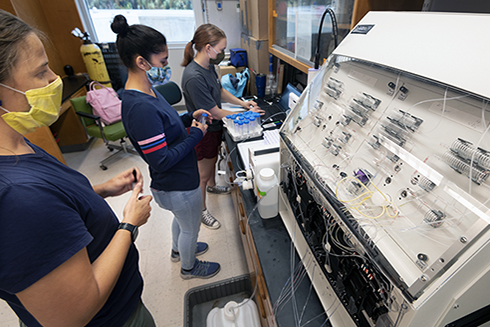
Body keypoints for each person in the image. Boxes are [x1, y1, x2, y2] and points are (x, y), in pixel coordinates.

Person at [0, 9, 155, 327]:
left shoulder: (17, 145)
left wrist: (98, 190)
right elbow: (72, 314)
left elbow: (53, 210)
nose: (54, 79)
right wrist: (128, 225)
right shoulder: (15, 199)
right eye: (41, 72)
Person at [111, 15, 221, 280]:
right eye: (162, 61)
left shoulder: (149, 90)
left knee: (183, 222)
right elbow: (161, 159)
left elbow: (166, 126)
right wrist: (195, 135)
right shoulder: (139, 107)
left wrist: (187, 118)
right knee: (190, 227)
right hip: (176, 184)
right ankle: (189, 267)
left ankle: (178, 251)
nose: (165, 66)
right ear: (141, 62)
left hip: (176, 184)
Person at [181, 24, 264, 229]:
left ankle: (212, 187)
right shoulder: (194, 76)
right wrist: (246, 114)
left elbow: (219, 92)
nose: (222, 53)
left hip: (214, 128)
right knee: (202, 173)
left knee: (211, 162)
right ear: (208, 47)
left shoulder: (208, 66)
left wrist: (243, 103)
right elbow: (214, 112)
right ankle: (201, 212)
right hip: (203, 131)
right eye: (221, 49)